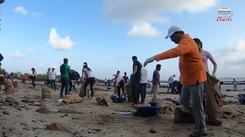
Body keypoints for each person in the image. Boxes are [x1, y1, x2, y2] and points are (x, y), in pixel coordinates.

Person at [144, 26, 207, 137]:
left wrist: (154, 57)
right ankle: (197, 117)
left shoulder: (187, 42)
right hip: (187, 81)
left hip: (196, 79)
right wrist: (182, 80)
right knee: (183, 103)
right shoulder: (183, 42)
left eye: (171, 37)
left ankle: (201, 129)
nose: (171, 40)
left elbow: (174, 52)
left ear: (178, 33)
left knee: (197, 106)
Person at [194, 38, 222, 126]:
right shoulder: (192, 53)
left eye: (196, 44)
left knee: (210, 97)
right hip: (195, 77)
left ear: (200, 44)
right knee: (198, 97)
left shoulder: (206, 53)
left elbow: (215, 64)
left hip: (206, 76)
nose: (194, 46)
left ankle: (212, 118)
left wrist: (213, 74)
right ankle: (199, 118)